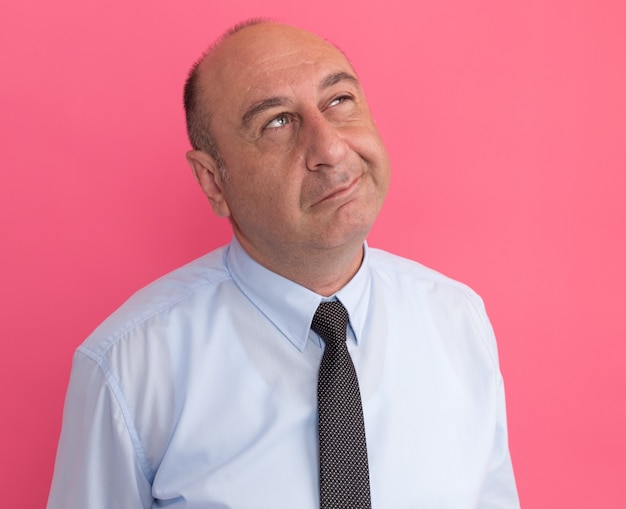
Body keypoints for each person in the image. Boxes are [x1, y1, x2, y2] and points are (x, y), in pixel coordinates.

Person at [47, 20, 520, 509]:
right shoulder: (128, 368)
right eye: (276, 121)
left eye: (339, 101)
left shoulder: (458, 319)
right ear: (213, 181)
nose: (331, 149)